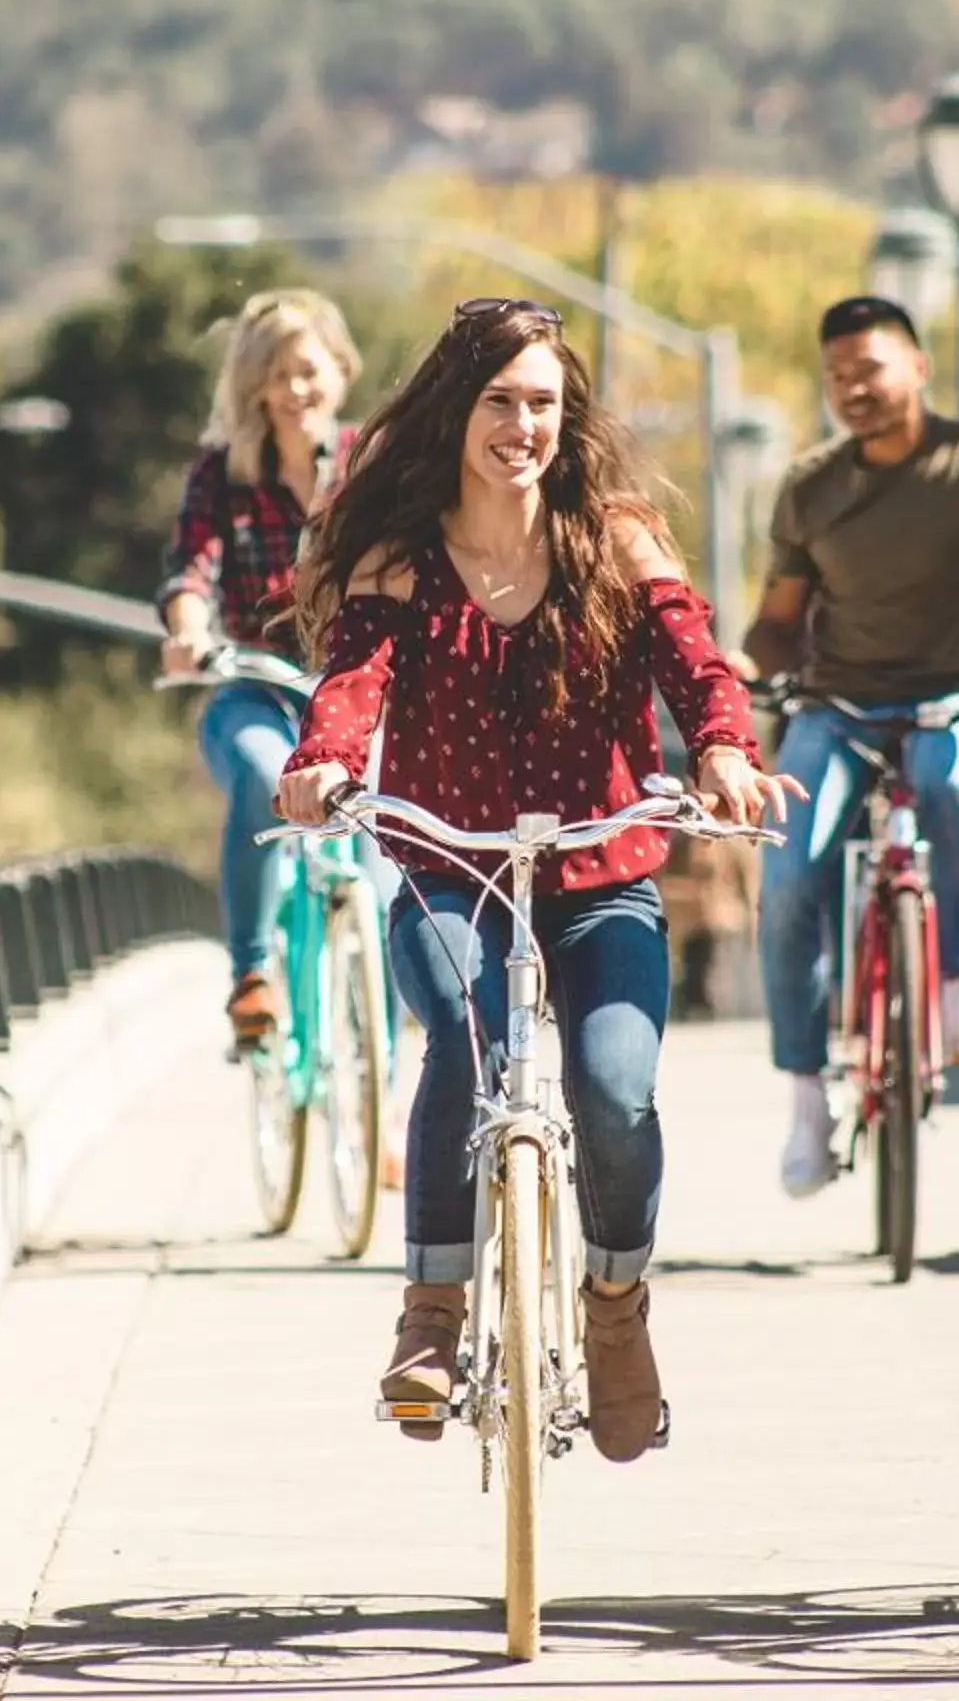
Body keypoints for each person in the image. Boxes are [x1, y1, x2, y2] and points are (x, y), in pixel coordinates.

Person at [275, 297, 793, 1463]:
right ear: (457, 409)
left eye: (544, 404)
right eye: (500, 401)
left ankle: (614, 1311)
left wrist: (720, 748)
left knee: (615, 1090)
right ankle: (433, 1314)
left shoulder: (615, 538)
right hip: (446, 867)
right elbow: (352, 684)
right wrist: (323, 762)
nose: (523, 425)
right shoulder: (402, 560)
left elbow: (697, 658)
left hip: (600, 866)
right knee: (462, 1042)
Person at [742, 295, 959, 1198]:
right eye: (837, 376)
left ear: (917, 367)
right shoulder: (811, 483)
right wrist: (739, 670)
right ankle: (809, 1097)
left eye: (870, 369)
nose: (854, 389)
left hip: (955, 696)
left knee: (950, 785)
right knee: (793, 865)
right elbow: (777, 622)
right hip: (836, 705)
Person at [157, 288, 363, 1050]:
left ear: (340, 372)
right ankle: (251, 975)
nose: (297, 389)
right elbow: (191, 569)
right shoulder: (223, 477)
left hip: (361, 700)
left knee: (386, 893)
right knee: (263, 771)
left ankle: (378, 1088)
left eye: (310, 370)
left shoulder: (368, 465)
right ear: (255, 387)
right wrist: (187, 628)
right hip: (257, 687)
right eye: (279, 374)